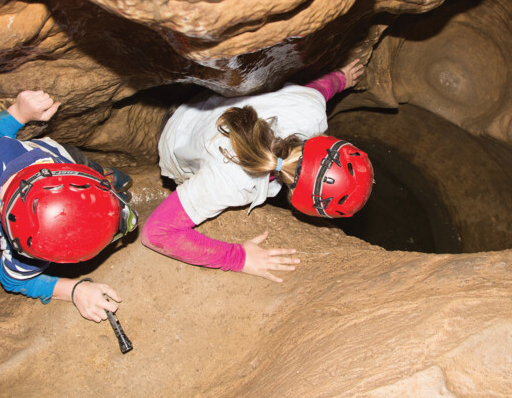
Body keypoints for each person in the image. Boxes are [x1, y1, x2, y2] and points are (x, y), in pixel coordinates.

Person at [142, 59, 374, 282]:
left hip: (201, 103)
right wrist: (238, 258)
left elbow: (318, 90)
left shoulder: (310, 111)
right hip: (172, 135)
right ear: (301, 203)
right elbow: (157, 233)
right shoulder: (233, 182)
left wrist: (341, 77)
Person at [0, 90, 137, 322]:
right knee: (79, 161)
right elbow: (13, 281)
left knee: (81, 160)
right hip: (62, 166)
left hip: (65, 158)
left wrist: (18, 114)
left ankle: (101, 175)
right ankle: (100, 176)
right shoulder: (29, 242)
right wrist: (74, 290)